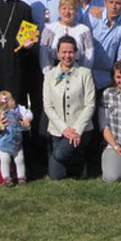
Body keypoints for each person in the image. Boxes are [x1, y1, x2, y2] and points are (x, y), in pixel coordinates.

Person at [43, 37, 96, 180]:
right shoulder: (49, 76)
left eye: (71, 52)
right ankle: (76, 167)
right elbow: (48, 106)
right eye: (64, 52)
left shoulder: (85, 74)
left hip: (81, 130)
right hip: (57, 130)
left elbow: (90, 104)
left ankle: (79, 164)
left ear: (76, 53)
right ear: (58, 53)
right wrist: (64, 129)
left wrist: (77, 130)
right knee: (56, 175)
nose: (67, 56)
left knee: (60, 154)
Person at [90, 0, 121, 88]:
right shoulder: (92, 19)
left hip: (107, 79)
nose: (114, 6)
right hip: (87, 75)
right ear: (105, 3)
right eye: (111, 2)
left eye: (118, 3)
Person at [39, 0, 94, 73]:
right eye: (64, 8)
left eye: (71, 9)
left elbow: (89, 54)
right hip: (54, 72)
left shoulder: (84, 30)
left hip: (77, 72)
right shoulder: (49, 29)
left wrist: (82, 74)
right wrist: (49, 74)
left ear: (76, 11)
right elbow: (44, 55)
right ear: (59, 10)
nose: (67, 12)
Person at [0, 90, 32, 187]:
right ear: (5, 104)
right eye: (11, 100)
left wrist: (27, 119)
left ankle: (21, 177)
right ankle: (6, 178)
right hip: (4, 143)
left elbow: (28, 113)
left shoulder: (19, 109)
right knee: (5, 161)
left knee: (20, 159)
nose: (14, 101)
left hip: (17, 142)